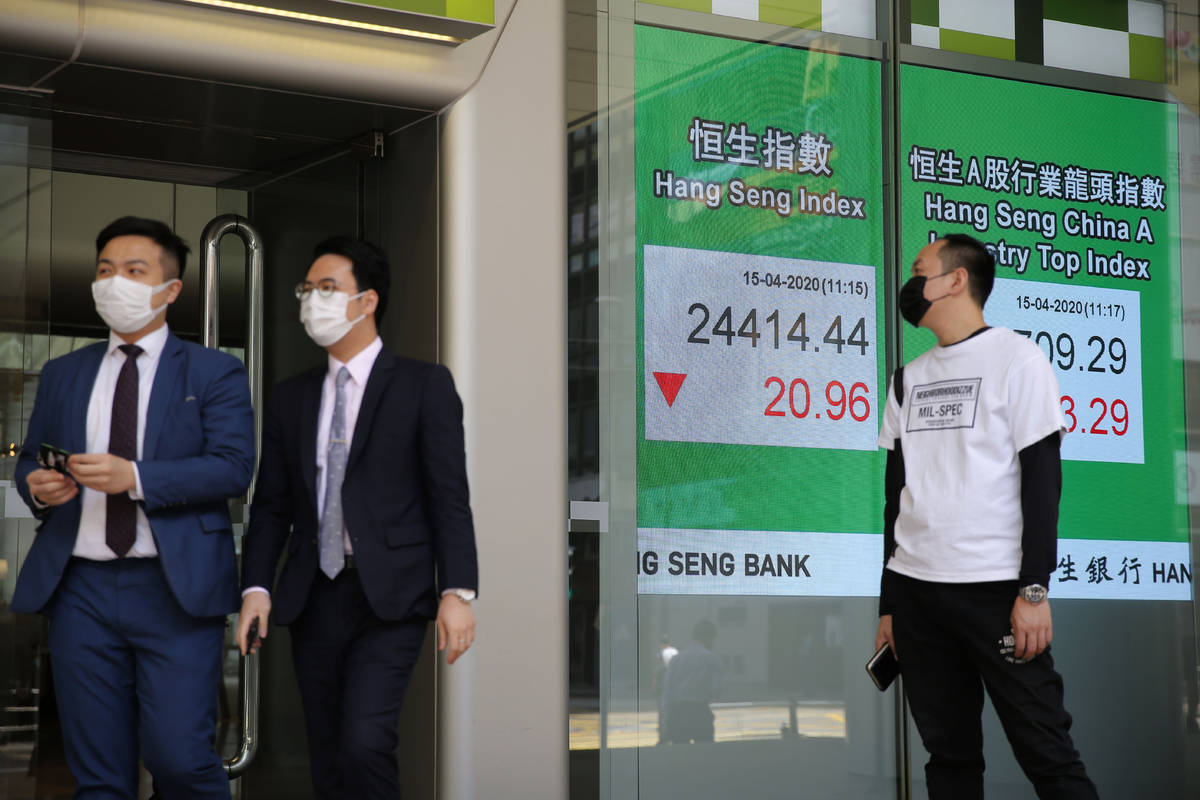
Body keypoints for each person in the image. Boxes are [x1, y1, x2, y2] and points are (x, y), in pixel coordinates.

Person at [14, 216, 256, 798]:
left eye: (132, 271)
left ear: (170, 290)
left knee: (180, 761)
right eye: (104, 271)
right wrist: (36, 486)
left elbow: (232, 467)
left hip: (172, 589)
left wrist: (137, 477)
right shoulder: (63, 372)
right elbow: (26, 464)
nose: (113, 282)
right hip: (81, 590)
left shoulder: (214, 370)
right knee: (98, 775)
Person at [237, 236, 479, 799]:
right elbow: (271, 503)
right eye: (307, 289)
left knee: (365, 741)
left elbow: (449, 495)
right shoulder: (292, 397)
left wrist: (458, 591)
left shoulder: (424, 385)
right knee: (326, 750)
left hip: (390, 596)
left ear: (367, 301)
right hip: (313, 592)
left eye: (328, 289)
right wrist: (255, 586)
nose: (311, 301)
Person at [875, 233, 1098, 799]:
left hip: (996, 594)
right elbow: (895, 499)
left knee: (1048, 753)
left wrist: (1033, 589)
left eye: (919, 271)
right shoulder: (906, 378)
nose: (909, 285)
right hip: (919, 596)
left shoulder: (1017, 359)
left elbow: (1043, 481)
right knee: (948, 758)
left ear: (956, 280)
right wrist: (889, 606)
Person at [661, 620, 722, 744]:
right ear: (708, 638)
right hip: (700, 711)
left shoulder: (676, 659)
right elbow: (716, 690)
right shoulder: (712, 659)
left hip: (679, 713)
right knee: (705, 754)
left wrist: (666, 723)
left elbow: (667, 692)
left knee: (681, 755)